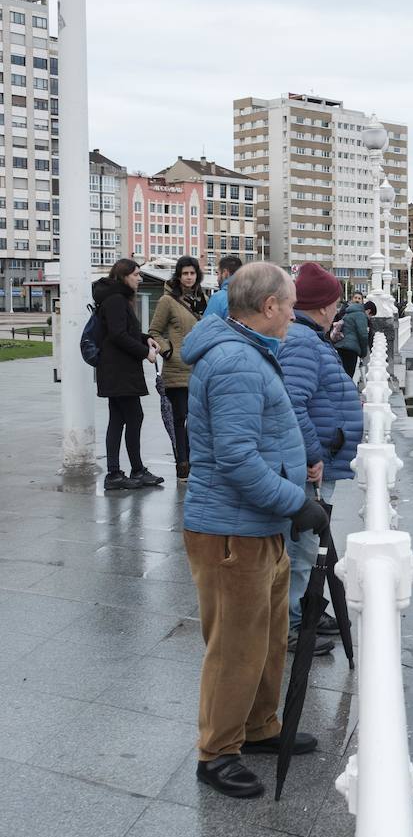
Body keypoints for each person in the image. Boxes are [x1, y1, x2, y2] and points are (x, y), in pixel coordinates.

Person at [179, 262, 330, 799]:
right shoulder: (237, 363)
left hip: (257, 526)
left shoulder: (249, 354)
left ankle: (260, 726)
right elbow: (238, 459)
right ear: (268, 307)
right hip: (230, 533)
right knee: (236, 647)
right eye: (290, 304)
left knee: (266, 638)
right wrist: (298, 504)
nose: (295, 313)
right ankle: (217, 752)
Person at [279, 263, 363, 656]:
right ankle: (293, 624)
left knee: (310, 545)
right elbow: (293, 402)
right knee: (304, 548)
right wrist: (313, 454)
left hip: (320, 459)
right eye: (335, 300)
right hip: (313, 464)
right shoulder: (302, 340)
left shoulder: (308, 337)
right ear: (325, 305)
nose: (338, 308)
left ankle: (306, 611)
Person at [92, 258, 164, 491]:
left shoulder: (117, 298)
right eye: (136, 274)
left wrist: (145, 338)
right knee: (133, 417)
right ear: (124, 276)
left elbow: (126, 331)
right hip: (118, 371)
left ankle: (120, 472)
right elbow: (117, 335)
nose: (139, 279)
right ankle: (131, 471)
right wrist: (146, 352)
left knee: (120, 419)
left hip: (118, 370)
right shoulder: (115, 300)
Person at [149, 256, 204, 481]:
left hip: (199, 370)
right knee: (179, 418)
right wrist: (166, 350)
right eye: (185, 274)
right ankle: (182, 463)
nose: (188, 277)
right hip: (176, 369)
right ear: (178, 276)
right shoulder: (167, 301)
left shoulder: (203, 300)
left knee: (196, 419)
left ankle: (193, 461)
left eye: (192, 273)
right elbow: (154, 331)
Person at [335, 292, 371, 377]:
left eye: (359, 298)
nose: (357, 300)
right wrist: (363, 352)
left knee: (341, 374)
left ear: (362, 301)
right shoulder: (360, 315)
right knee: (348, 375)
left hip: (340, 347)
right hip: (351, 349)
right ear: (352, 299)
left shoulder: (346, 312)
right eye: (356, 298)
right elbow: (363, 335)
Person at [201, 255, 243, 319]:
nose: (217, 279)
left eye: (218, 273)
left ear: (225, 273)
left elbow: (206, 327)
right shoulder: (252, 297)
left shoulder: (219, 298)